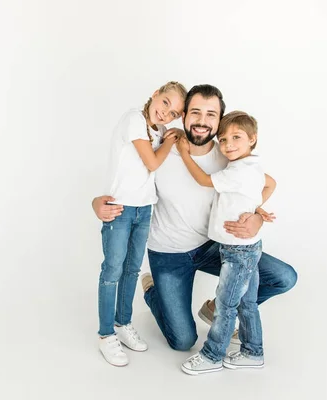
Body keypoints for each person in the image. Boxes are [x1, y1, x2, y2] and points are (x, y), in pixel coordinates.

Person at [91, 84, 297, 364]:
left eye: (211, 114)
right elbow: (125, 175)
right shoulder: (161, 147)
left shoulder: (228, 154)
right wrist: (97, 201)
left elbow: (261, 184)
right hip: (169, 254)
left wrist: (257, 216)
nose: (202, 121)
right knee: (183, 341)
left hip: (215, 246)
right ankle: (152, 289)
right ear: (184, 115)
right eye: (195, 112)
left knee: (283, 277)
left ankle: (221, 307)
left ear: (219, 120)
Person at [177, 111, 275, 375]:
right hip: (247, 248)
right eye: (223, 139)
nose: (228, 144)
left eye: (236, 137)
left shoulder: (239, 171)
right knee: (247, 303)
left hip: (237, 251)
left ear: (252, 139)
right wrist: (254, 207)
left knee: (226, 304)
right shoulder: (250, 165)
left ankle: (212, 356)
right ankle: (253, 352)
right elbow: (271, 184)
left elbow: (203, 180)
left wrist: (185, 153)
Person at [97, 81, 187, 367]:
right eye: (165, 104)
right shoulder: (134, 119)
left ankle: (123, 323)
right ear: (156, 93)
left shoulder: (158, 130)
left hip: (144, 209)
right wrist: (172, 140)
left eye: (174, 114)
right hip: (120, 208)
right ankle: (106, 334)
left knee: (133, 270)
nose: (166, 115)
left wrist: (173, 135)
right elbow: (151, 162)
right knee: (112, 271)